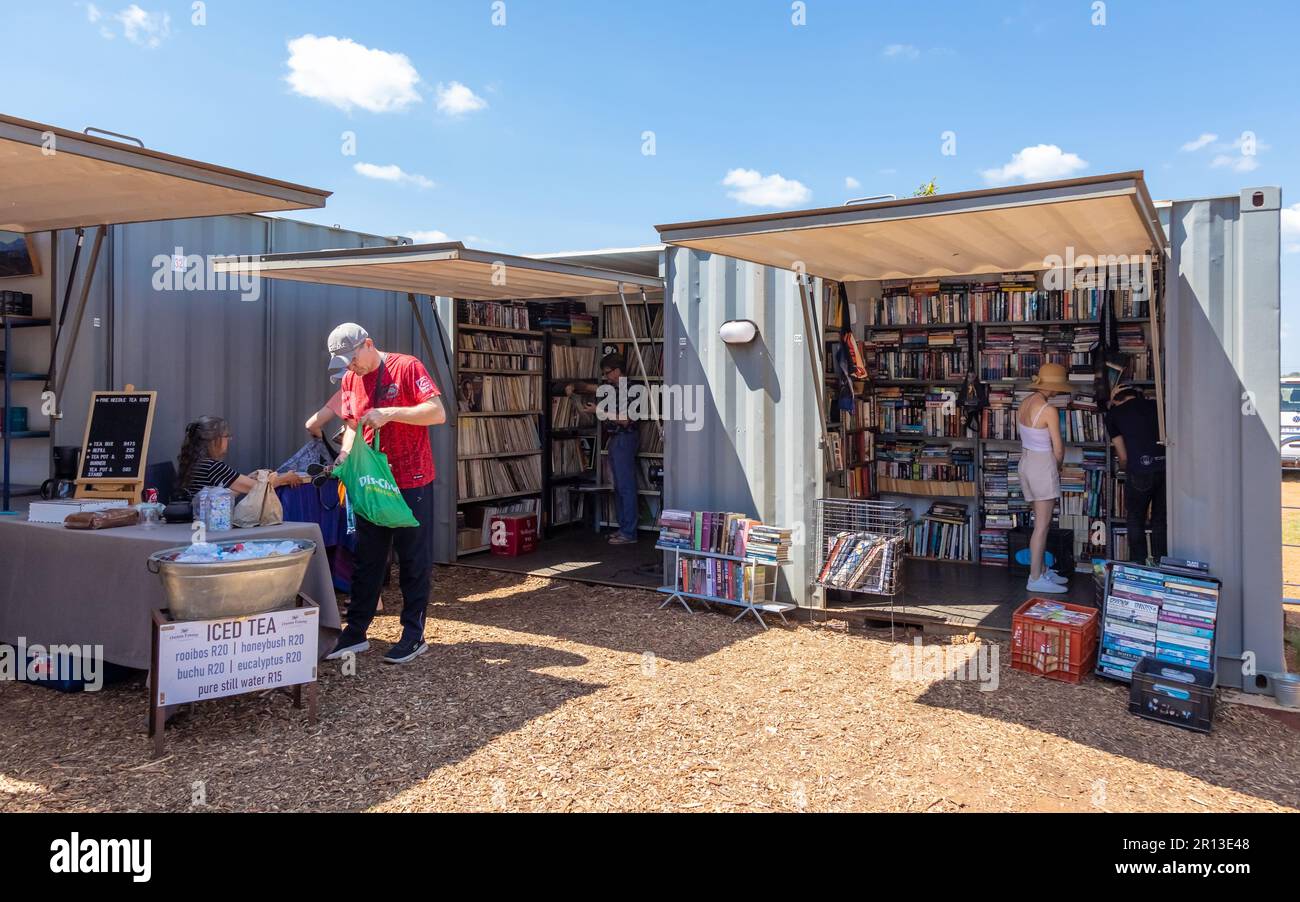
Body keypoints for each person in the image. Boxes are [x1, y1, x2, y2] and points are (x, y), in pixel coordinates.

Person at [323, 323, 446, 665]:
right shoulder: (350, 379)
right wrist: (345, 455)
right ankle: (356, 632)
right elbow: (351, 426)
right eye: (345, 363)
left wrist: (391, 413)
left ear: (369, 344)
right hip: (371, 482)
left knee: (412, 558)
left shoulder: (406, 367)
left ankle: (412, 634)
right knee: (367, 558)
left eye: (353, 359)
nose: (352, 367)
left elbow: (438, 412)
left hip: (411, 478)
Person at [566, 353, 639, 545]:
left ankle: (629, 533)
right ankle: (624, 528)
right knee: (618, 487)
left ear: (617, 371)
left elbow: (625, 420)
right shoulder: (613, 388)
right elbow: (590, 387)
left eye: (607, 373)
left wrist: (598, 411)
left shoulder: (630, 390)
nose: (605, 377)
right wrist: (574, 386)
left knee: (626, 487)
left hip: (625, 438)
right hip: (616, 440)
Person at [1017, 363, 1073, 594]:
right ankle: (1035, 577)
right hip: (1042, 464)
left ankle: (1041, 570)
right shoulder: (1049, 410)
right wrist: (1056, 468)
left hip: (1026, 461)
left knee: (1039, 522)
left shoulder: (1024, 402)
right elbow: (1058, 450)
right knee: (1042, 525)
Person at [1105, 384, 1167, 564]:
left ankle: (1138, 564)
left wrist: (1124, 468)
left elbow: (1123, 456)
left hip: (1140, 470)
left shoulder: (1114, 415)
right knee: (1160, 520)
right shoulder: (1158, 406)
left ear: (1117, 399)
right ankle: (1161, 563)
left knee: (1135, 518)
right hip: (1165, 468)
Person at [177, 416, 306, 494]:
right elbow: (257, 489)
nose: (228, 440)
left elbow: (225, 495)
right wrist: (285, 478)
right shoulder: (213, 466)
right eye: (227, 436)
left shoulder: (197, 463)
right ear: (214, 440)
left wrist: (248, 477)